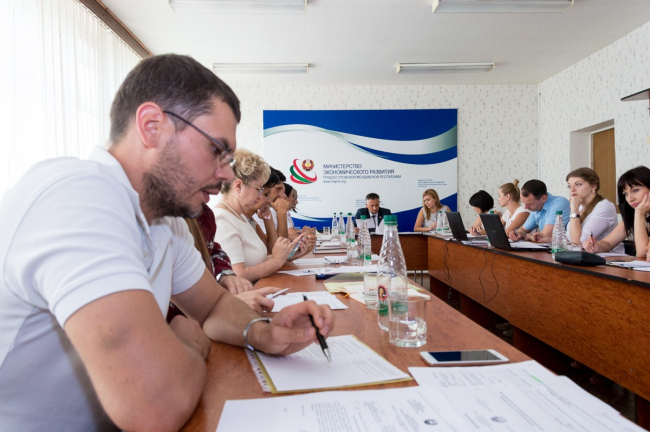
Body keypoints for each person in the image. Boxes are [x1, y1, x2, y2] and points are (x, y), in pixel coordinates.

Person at [0, 54, 334, 431]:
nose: (226, 174)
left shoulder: (165, 221)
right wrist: (188, 341)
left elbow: (214, 306)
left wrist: (264, 331)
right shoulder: (78, 198)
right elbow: (154, 405)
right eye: (216, 150)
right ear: (152, 127)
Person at [214, 149, 309, 282]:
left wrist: (288, 254)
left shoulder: (240, 217)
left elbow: (259, 261)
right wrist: (277, 261)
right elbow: (238, 274)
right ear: (238, 186)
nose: (260, 197)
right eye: (259, 189)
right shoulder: (222, 219)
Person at [583, 166, 650, 257]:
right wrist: (597, 246)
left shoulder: (639, 214)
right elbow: (608, 242)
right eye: (626, 194)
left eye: (635, 190)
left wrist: (639, 213)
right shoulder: (635, 216)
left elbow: (642, 253)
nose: (630, 199)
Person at [565, 168, 623, 254]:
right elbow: (568, 237)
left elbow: (578, 243)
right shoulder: (579, 207)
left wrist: (574, 209)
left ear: (593, 186)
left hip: (609, 258)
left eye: (578, 184)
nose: (572, 189)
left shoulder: (604, 206)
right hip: (583, 256)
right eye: (569, 186)